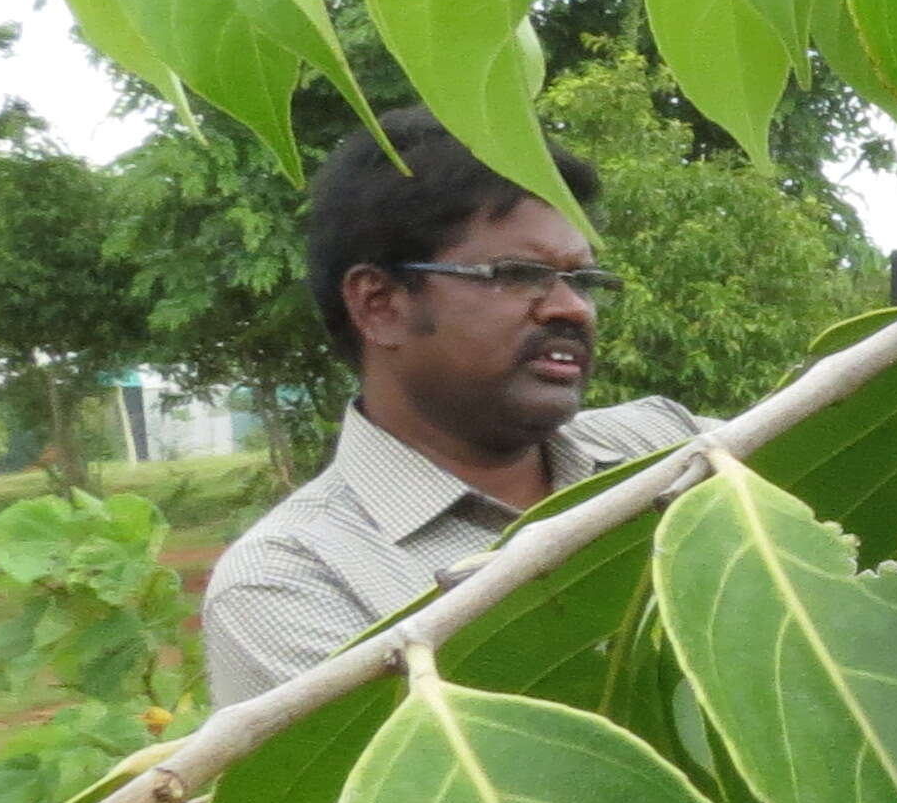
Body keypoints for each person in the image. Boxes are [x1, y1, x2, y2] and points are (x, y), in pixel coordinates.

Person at [198, 106, 695, 706]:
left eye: (584, 281)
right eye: (518, 274)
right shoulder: (291, 583)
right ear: (379, 304)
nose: (572, 308)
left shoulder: (667, 446)